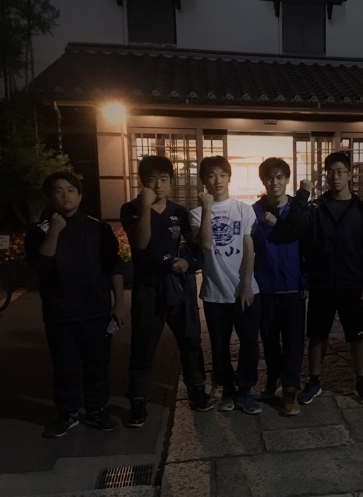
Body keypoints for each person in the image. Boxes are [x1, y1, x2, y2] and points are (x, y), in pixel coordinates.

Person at [26, 172, 127, 438]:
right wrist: (55, 230)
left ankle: (97, 410)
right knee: (65, 367)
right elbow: (41, 264)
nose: (65, 195)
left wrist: (119, 303)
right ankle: (67, 413)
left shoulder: (98, 228)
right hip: (60, 313)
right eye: (58, 191)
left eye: (70, 190)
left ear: (80, 195)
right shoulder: (39, 231)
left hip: (96, 310)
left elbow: (113, 266)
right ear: (49, 197)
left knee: (97, 365)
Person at [276, 152, 363, 405]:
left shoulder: (361, 209)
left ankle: (361, 381)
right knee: (317, 334)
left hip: (352, 282)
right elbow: (292, 229)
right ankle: (314, 381)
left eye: (340, 171)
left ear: (350, 174)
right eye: (330, 172)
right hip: (321, 282)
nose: (335, 177)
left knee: (357, 335)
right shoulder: (316, 208)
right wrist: (302, 196)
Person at [120, 156, 210, 428]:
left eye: (163, 179)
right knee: (143, 345)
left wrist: (187, 263)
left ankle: (197, 390)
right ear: (142, 182)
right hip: (148, 288)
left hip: (179, 285)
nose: (158, 185)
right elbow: (141, 242)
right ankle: (137, 401)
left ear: (171, 182)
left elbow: (196, 248)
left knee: (190, 340)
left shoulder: (180, 212)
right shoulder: (131, 209)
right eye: (151, 179)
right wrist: (145, 207)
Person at [190, 156, 262, 415]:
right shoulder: (196, 213)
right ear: (203, 180)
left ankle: (245, 390)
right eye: (211, 175)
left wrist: (246, 284)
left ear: (229, 177)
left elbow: (249, 247)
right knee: (219, 345)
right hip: (215, 293)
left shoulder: (243, 209)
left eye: (222, 174)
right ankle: (227, 390)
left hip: (245, 289)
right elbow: (206, 244)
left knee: (250, 343)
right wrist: (207, 209)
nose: (217, 180)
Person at [251, 158, 307, 416]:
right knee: (269, 339)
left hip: (292, 286)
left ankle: (290, 390)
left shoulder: (299, 209)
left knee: (294, 340)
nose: (274, 182)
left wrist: (305, 280)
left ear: (287, 179)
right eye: (269, 177)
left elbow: (308, 249)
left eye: (279, 177)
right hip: (265, 286)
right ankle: (273, 378)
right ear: (263, 181)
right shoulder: (254, 212)